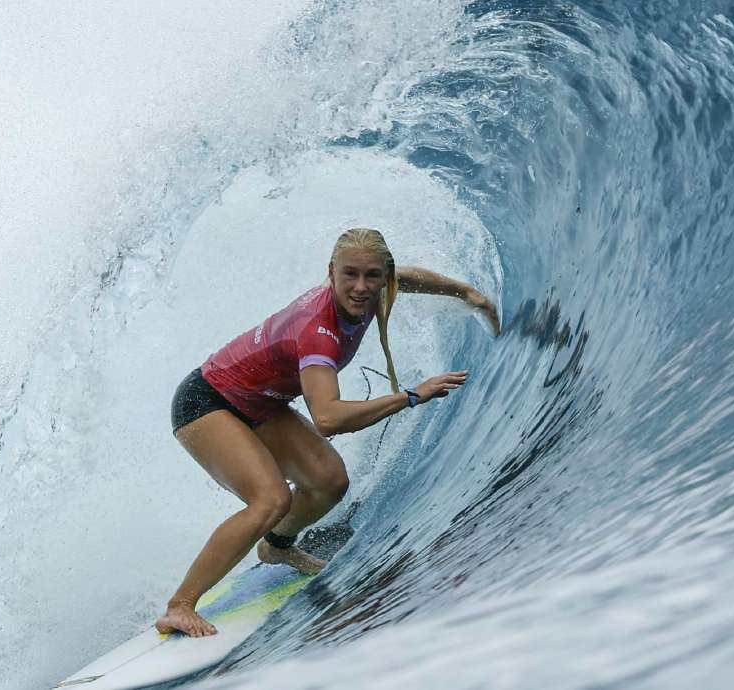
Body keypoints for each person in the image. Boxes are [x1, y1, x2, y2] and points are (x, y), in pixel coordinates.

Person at [157, 228, 500, 637]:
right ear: (331, 272)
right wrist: (411, 396)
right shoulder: (320, 332)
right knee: (271, 500)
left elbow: (405, 277)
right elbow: (328, 418)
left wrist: (466, 293)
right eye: (350, 275)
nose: (361, 287)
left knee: (328, 481)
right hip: (207, 401)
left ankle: (277, 548)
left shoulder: (373, 290)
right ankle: (180, 605)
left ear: (384, 276)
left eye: (372, 276)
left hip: (260, 402)